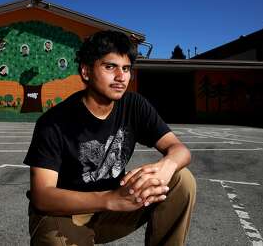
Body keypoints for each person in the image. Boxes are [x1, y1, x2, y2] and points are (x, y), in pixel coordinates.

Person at [23, 30, 196, 246]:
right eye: (110, 67)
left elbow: (179, 149)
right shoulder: (53, 122)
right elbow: (43, 196)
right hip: (65, 214)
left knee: (182, 179)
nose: (121, 77)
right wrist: (110, 200)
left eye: (126, 69)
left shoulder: (134, 105)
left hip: (114, 211)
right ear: (86, 71)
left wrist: (166, 166)